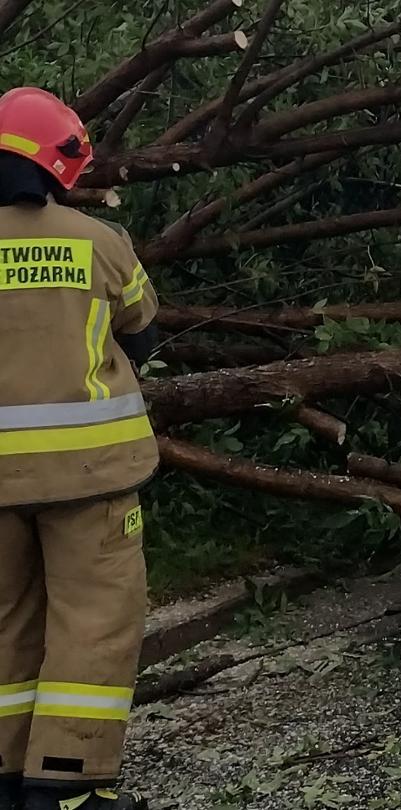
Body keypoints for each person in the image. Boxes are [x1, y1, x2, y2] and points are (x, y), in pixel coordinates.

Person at [0, 88, 160, 810]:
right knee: (93, 624)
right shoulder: (99, 243)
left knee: (5, 623)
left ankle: (6, 775)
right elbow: (142, 332)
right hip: (89, 480)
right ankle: (68, 786)